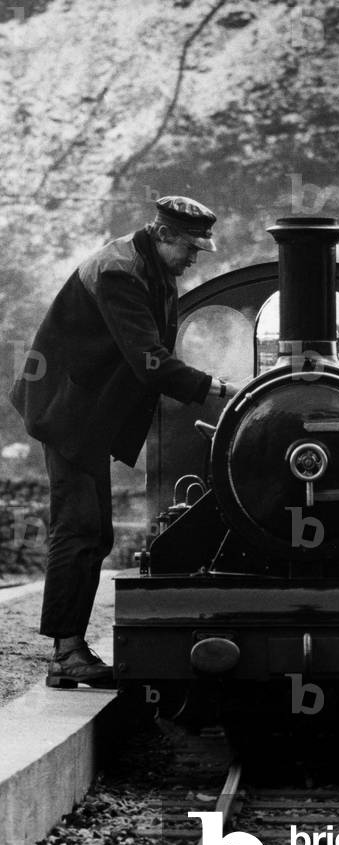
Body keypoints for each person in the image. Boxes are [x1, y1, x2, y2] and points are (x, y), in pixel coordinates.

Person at [10, 196, 239, 687]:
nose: (195, 257)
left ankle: (69, 648)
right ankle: (65, 653)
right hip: (67, 412)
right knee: (78, 530)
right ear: (163, 235)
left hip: (85, 413)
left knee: (94, 532)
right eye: (191, 248)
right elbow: (149, 360)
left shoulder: (149, 267)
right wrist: (218, 389)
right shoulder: (120, 272)